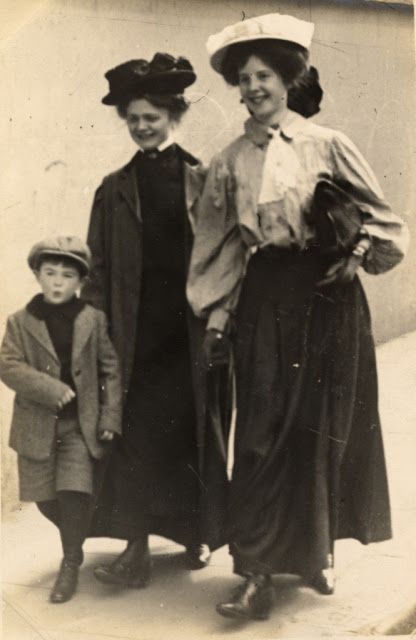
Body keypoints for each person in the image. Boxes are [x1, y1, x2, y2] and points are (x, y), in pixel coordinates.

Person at [187, 13, 409, 621]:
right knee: (257, 438)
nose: (254, 86)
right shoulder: (228, 162)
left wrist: (358, 253)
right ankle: (254, 571)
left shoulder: (327, 144)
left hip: (329, 301)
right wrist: (214, 320)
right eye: (244, 77)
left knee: (321, 433)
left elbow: (384, 222)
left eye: (264, 75)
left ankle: (316, 557)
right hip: (265, 298)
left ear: (289, 79)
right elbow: (220, 249)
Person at [82, 52, 220, 589]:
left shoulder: (201, 178)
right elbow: (96, 265)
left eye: (152, 117)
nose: (142, 126)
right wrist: (96, 331)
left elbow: (223, 257)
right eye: (134, 118)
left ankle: (196, 536)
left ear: (173, 115)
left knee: (191, 437)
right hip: (134, 336)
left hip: (186, 333)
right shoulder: (115, 187)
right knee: (136, 439)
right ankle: (135, 549)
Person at [0, 236, 122, 604]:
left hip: (78, 428)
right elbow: (8, 365)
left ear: (80, 282)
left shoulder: (93, 320)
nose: (57, 282)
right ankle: (75, 539)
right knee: (45, 500)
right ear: (37, 274)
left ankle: (70, 561)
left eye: (67, 276)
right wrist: (50, 389)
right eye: (50, 273)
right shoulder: (20, 322)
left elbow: (110, 369)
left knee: (74, 493)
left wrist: (110, 417)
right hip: (36, 428)